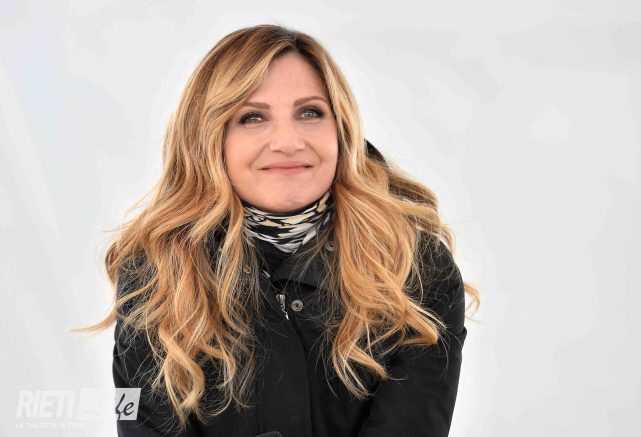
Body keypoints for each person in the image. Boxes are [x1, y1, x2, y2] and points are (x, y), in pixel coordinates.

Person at [83, 24, 480, 437]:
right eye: (252, 117)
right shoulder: (153, 274)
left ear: (341, 130)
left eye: (310, 112)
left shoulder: (415, 266)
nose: (287, 142)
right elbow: (137, 419)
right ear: (207, 138)